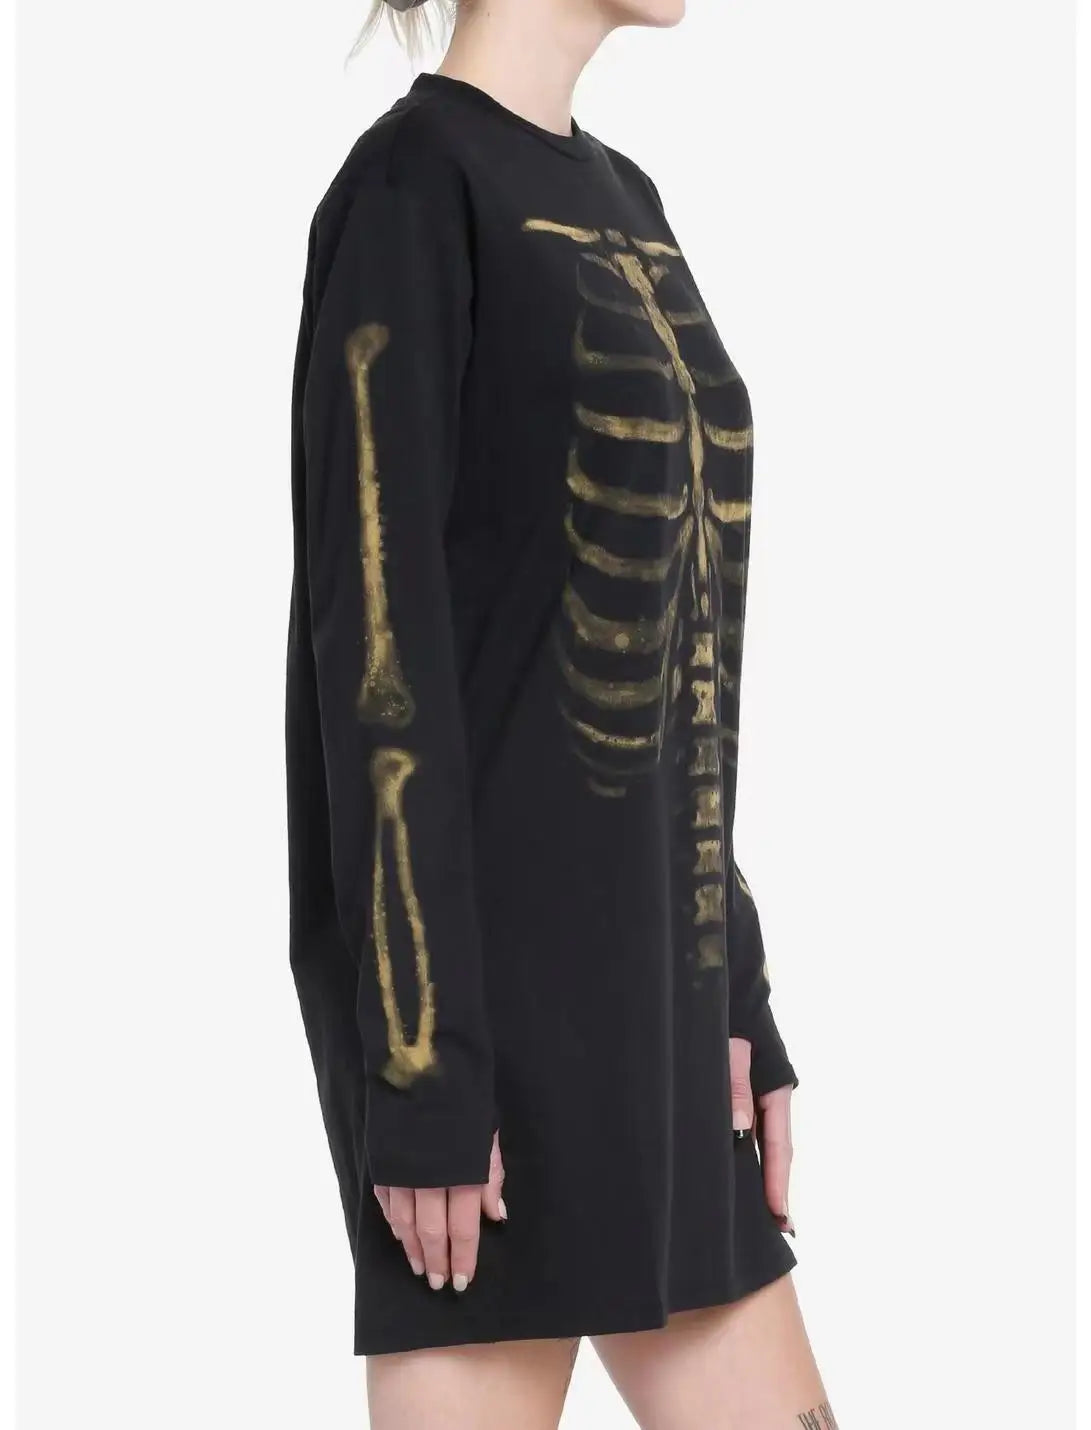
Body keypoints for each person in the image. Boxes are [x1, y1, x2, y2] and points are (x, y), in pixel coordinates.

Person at [286, 1, 835, 1424]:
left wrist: (736, 991)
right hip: (486, 1053)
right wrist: (423, 1071)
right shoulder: (411, 192)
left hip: (664, 1016)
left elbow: (683, 645)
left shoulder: (624, 197)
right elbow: (375, 662)